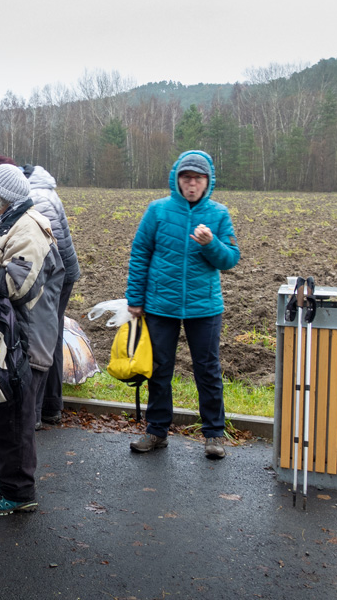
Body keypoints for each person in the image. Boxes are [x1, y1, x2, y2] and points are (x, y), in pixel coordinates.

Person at [125, 150, 240, 460]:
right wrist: (135, 299)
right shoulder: (158, 211)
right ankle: (156, 431)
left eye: (198, 179)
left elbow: (229, 259)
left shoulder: (218, 214)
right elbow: (140, 255)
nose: (192, 184)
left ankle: (214, 434)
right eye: (186, 178)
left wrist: (210, 244)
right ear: (177, 180)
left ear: (207, 182)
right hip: (161, 304)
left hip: (204, 307)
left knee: (208, 371)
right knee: (159, 370)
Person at [0, 164, 64, 516]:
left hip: (23, 339)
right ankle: (8, 474)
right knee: (3, 412)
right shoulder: (11, 220)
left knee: (16, 419)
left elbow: (14, 284)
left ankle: (19, 491)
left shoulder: (28, 227)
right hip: (8, 337)